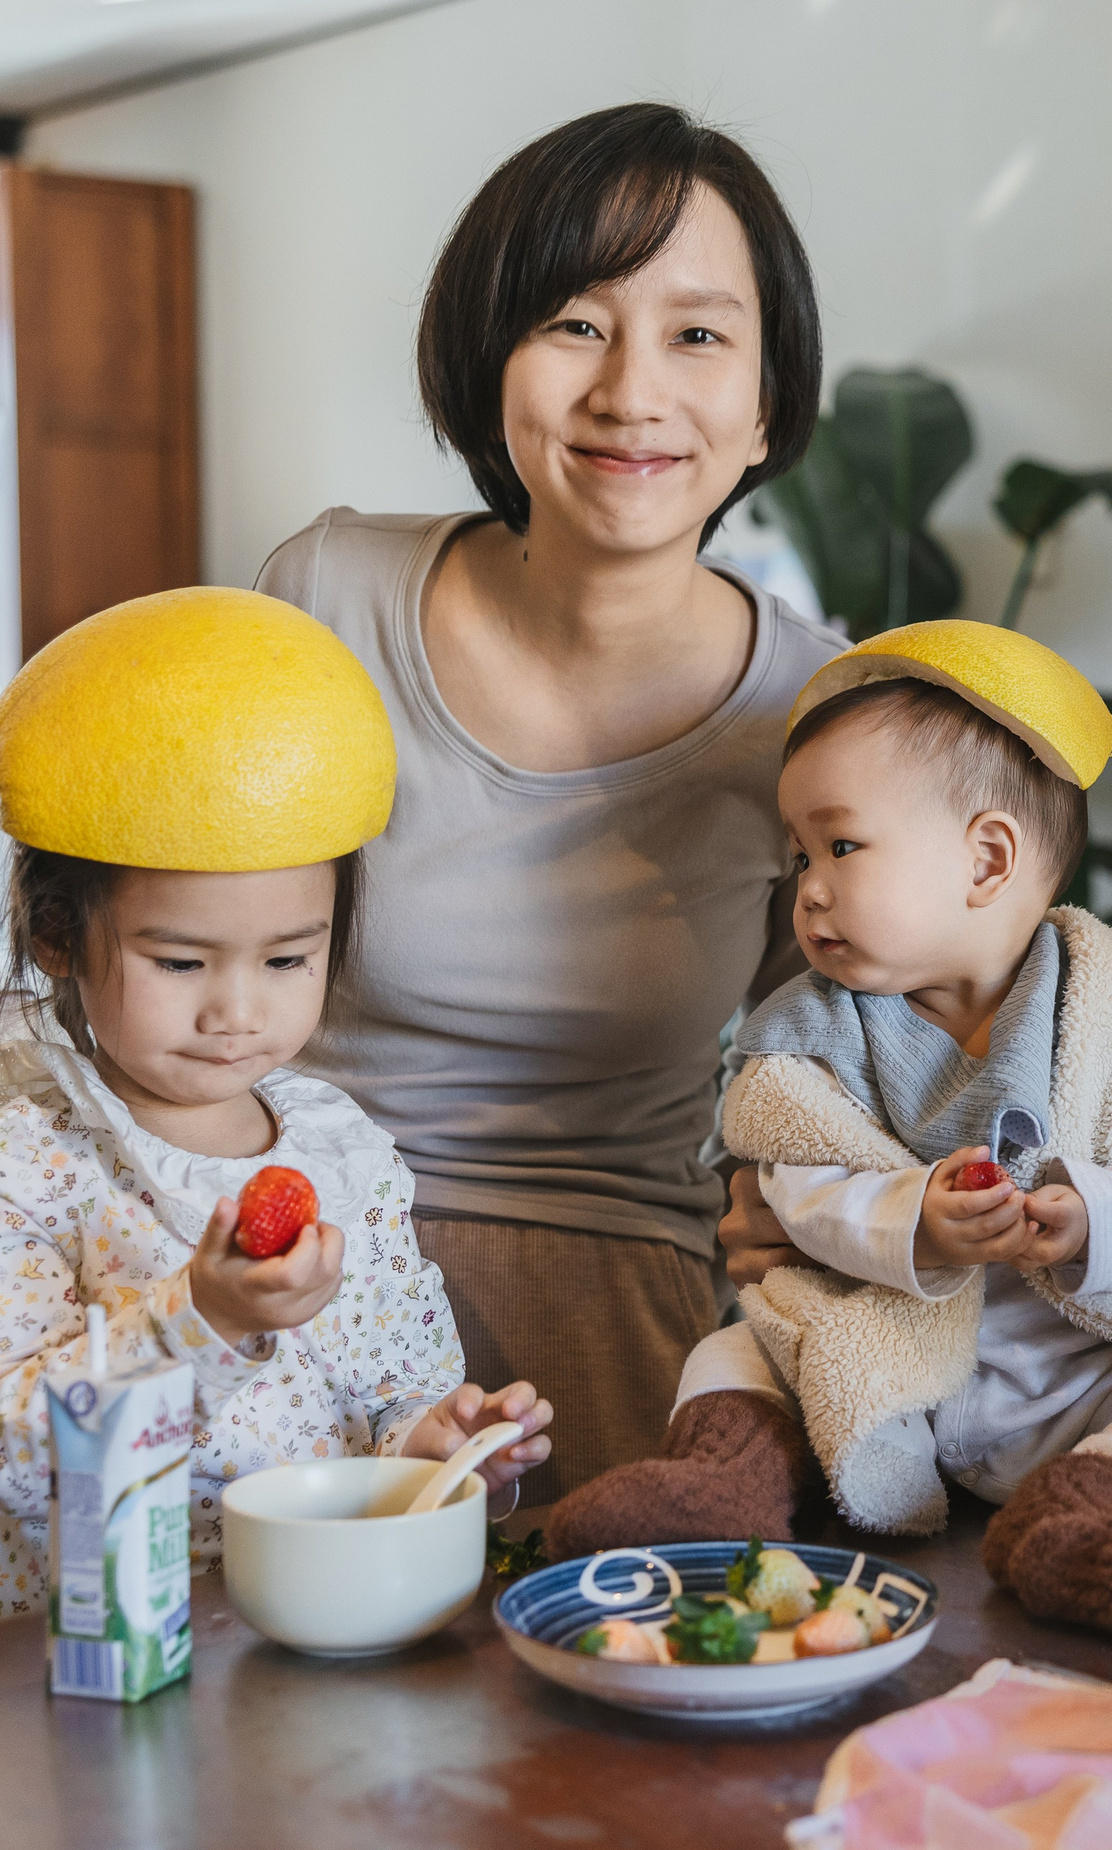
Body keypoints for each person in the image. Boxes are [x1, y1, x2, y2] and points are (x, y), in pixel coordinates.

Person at [256, 102, 842, 1508]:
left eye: (697, 334)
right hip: (296, 1272)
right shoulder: (322, 601)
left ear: (766, 401)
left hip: (618, 1301)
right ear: (487, 359)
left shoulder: (821, 716)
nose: (631, 391)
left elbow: (817, 1071)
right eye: (575, 323)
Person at [552, 624, 1112, 1650]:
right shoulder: (812, 1033)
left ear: (987, 857)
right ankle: (722, 1482)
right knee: (743, 1343)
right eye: (799, 853)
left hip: (1079, 1369)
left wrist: (1090, 1214)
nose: (806, 885)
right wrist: (914, 1222)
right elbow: (796, 1178)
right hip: (884, 1346)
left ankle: (1094, 1508)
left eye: (840, 845)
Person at [0, 587, 551, 1630]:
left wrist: (438, 1437)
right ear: (56, 935)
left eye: (288, 956)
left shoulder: (343, 1152)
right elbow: (3, 1457)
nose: (237, 1010)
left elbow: (386, 1398)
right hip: (79, 1676)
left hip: (305, 1640)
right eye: (181, 959)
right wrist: (202, 1317)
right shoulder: (5, 1183)